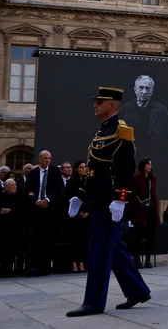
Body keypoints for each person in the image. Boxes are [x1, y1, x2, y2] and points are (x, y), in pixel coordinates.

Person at [66, 86, 151, 317]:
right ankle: (137, 291)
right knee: (113, 248)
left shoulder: (121, 132)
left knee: (99, 252)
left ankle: (93, 302)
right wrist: (80, 195)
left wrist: (120, 199)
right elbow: (95, 171)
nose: (95, 105)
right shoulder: (101, 132)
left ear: (111, 105)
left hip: (109, 203)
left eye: (100, 102)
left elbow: (125, 169)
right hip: (97, 200)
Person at [118, 75, 168, 166]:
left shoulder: (161, 111)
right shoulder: (124, 111)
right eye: (141, 88)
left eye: (148, 88)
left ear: (152, 90)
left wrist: (166, 160)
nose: (144, 92)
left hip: (156, 162)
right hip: (130, 161)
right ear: (135, 89)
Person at [25, 150, 62, 276]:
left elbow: (59, 189)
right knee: (36, 238)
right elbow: (28, 190)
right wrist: (36, 201)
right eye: (45, 158)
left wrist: (47, 200)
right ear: (40, 159)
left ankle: (46, 267)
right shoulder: (33, 173)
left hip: (50, 208)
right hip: (36, 209)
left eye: (50, 158)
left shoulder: (55, 172)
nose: (48, 160)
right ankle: (35, 267)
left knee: (48, 238)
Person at [130, 158, 159, 269]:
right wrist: (138, 203)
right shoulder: (136, 178)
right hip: (139, 208)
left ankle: (148, 259)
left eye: (151, 164)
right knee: (138, 235)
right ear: (143, 165)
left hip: (151, 208)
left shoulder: (153, 178)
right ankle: (136, 259)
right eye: (147, 164)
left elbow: (153, 194)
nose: (150, 166)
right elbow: (133, 193)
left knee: (150, 236)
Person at [64, 160, 90, 273]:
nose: (83, 169)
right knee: (74, 240)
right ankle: (74, 263)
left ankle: (82, 262)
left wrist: (87, 211)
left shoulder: (88, 181)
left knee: (84, 240)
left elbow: (90, 198)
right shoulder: (72, 182)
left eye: (85, 167)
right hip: (75, 215)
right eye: (81, 167)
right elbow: (69, 198)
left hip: (86, 215)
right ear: (76, 169)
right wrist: (78, 210)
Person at [0, 179, 22, 277]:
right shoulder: (1, 197)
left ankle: (12, 268)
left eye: (15, 184)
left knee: (13, 248)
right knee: (4, 248)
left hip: (16, 226)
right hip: (4, 227)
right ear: (6, 187)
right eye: (11, 185)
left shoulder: (19, 196)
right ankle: (3, 269)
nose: (14, 186)